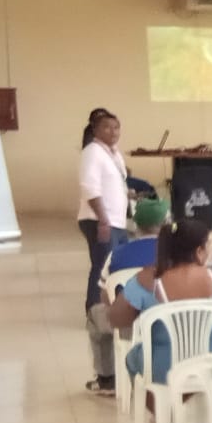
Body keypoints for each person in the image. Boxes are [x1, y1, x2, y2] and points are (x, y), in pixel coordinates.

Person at [110, 218, 212, 389]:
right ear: (199, 251)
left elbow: (117, 320)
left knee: (133, 358)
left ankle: (158, 404)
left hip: (162, 370)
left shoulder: (146, 281)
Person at [84, 197, 170, 396]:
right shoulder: (173, 252)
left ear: (136, 226)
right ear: (165, 223)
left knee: (94, 315)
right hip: (167, 323)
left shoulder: (117, 253)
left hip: (126, 327)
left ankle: (106, 379)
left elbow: (105, 297)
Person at [77, 111, 129, 315]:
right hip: (100, 220)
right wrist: (103, 220)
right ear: (95, 130)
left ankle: (116, 308)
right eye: (107, 127)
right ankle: (95, 312)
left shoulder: (113, 153)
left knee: (118, 265)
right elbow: (89, 188)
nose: (113, 132)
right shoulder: (92, 152)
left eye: (116, 127)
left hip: (117, 221)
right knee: (102, 266)